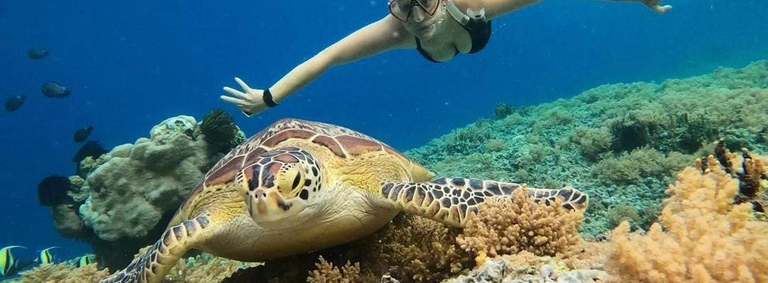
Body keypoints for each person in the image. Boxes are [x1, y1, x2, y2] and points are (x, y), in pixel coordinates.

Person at [221, 0, 671, 116]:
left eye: (421, 4)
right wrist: (269, 96)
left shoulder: (472, 5)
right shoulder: (395, 28)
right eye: (400, 5)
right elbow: (327, 57)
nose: (413, 17)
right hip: (446, 51)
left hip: (474, 35)